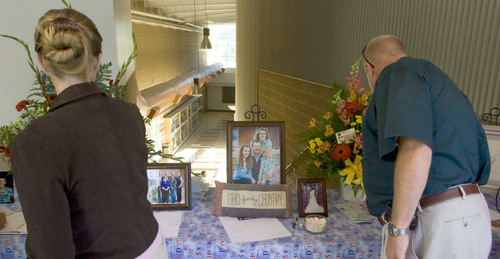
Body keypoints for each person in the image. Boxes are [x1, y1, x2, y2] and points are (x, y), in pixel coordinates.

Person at [10, 8, 167, 258]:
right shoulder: (128, 113)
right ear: (97, 59)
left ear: (42, 61)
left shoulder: (35, 141)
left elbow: (50, 250)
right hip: (153, 246)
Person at [361, 35, 491, 258]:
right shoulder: (437, 82)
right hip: (466, 214)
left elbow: (416, 149)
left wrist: (398, 230)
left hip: (437, 218)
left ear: (369, 68)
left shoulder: (398, 73)